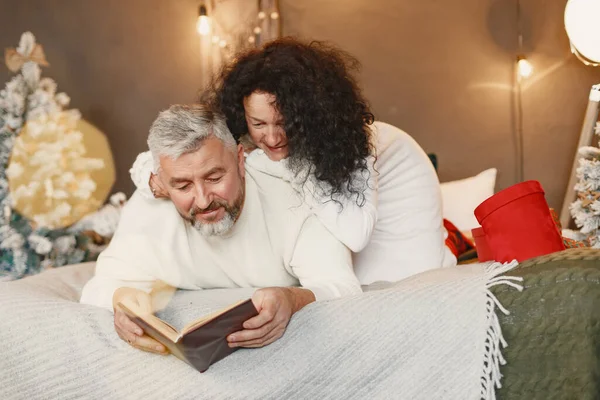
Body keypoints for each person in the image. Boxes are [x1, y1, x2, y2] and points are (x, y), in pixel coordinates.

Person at [141, 38, 456, 285]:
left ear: (311, 115)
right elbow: (182, 155)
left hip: (404, 246)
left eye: (285, 123)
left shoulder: (356, 142)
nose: (274, 137)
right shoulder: (252, 146)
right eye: (259, 124)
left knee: (344, 296)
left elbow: (356, 234)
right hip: (364, 237)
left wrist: (277, 166)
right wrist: (153, 178)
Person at [80, 104, 362, 354]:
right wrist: (121, 300)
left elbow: (342, 286)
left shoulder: (293, 201)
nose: (203, 200)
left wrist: (293, 299)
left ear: (240, 159)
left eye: (214, 177)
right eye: (182, 185)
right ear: (161, 182)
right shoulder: (150, 210)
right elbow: (98, 288)